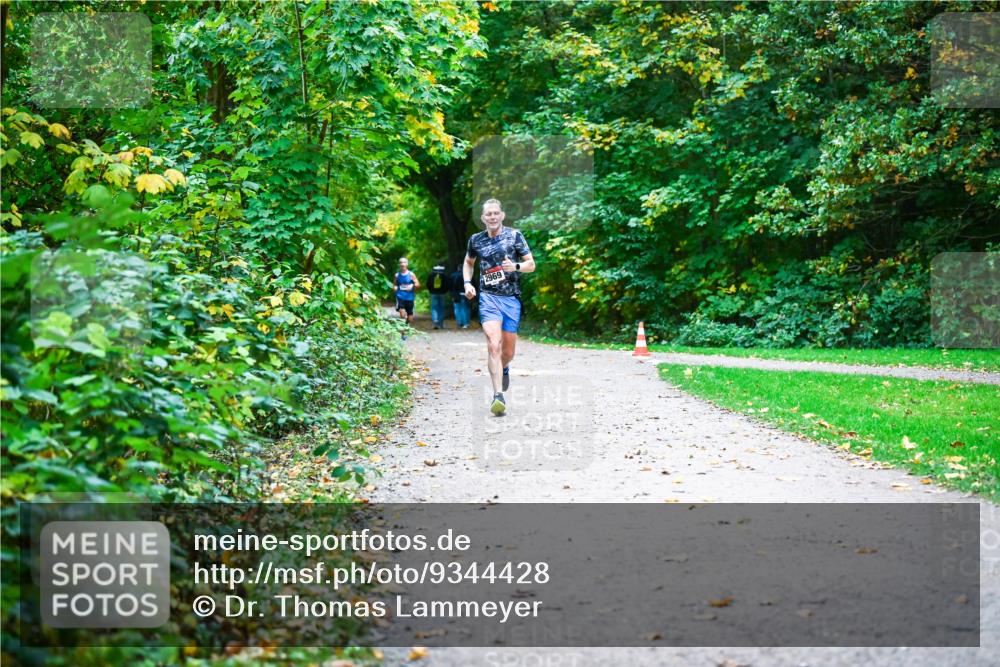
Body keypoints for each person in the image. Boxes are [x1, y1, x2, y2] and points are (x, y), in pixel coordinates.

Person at [463, 198, 535, 415]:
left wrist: (516, 266)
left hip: (510, 299)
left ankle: (504, 367)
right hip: (488, 298)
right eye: (488, 214)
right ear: (483, 218)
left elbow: (531, 264)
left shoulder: (514, 236)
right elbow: (468, 262)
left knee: (508, 351)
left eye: (496, 213)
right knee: (493, 344)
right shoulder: (476, 240)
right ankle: (498, 396)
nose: (492, 217)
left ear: (502, 215)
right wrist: (467, 283)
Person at [393, 257, 419, 338]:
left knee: (410, 317)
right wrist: (395, 288)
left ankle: (406, 326)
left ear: (407, 264)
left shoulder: (411, 274)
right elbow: (394, 285)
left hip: (409, 297)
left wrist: (412, 286)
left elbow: (418, 284)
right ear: (399, 264)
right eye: (401, 262)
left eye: (404, 262)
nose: (402, 264)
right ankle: (403, 333)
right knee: (402, 314)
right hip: (400, 296)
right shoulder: (397, 275)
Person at [426, 262, 451, 329]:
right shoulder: (444, 274)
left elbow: (428, 284)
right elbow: (448, 284)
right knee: (441, 308)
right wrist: (445, 291)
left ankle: (435, 321)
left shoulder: (431, 274)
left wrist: (431, 291)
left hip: (433, 293)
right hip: (442, 293)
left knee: (434, 308)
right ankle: (440, 324)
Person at [450, 262, 471, 328]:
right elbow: (474, 284)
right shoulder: (469, 275)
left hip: (457, 294)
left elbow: (451, 286)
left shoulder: (453, 275)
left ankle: (459, 322)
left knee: (457, 308)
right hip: (467, 293)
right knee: (465, 308)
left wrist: (453, 294)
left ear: (458, 268)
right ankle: (466, 323)